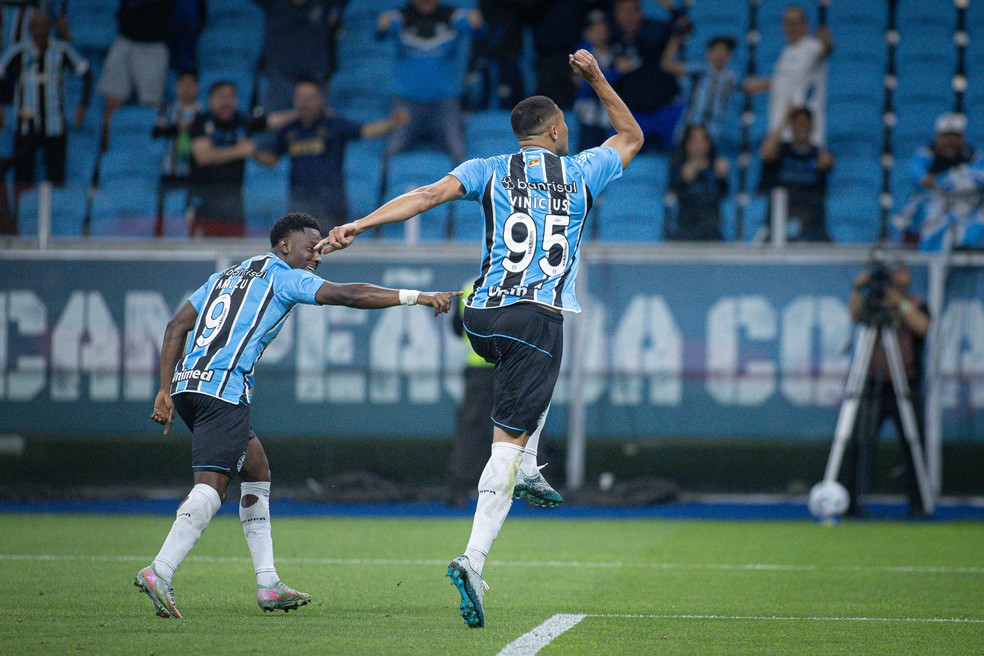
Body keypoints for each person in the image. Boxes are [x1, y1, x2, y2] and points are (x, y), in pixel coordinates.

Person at [317, 48, 643, 628]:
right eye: (564, 125)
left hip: (481, 313)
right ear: (552, 130)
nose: (568, 132)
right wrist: (595, 77)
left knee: (528, 394)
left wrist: (358, 225)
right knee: (507, 444)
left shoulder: (486, 168)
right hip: (536, 316)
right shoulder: (582, 171)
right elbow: (631, 134)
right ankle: (474, 558)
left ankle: (533, 467)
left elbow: (422, 197)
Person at [135, 212, 460, 620]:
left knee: (256, 469)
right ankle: (160, 570)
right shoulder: (283, 276)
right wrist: (417, 296)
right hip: (223, 388)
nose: (318, 256)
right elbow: (350, 295)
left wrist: (164, 389)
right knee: (213, 487)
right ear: (285, 245)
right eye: (311, 247)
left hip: (188, 385)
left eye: (321, 249)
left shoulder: (228, 274)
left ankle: (268, 582)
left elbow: (176, 325)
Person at [255, 78, 409, 233]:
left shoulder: (333, 124)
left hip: (331, 198)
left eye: (309, 98)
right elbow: (272, 158)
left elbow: (366, 131)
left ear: (321, 100)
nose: (304, 103)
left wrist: (393, 122)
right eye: (300, 98)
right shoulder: (289, 129)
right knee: (301, 245)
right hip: (300, 197)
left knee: (331, 242)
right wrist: (252, 152)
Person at [840, 261, 930, 518]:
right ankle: (849, 503)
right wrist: (858, 290)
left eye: (902, 270)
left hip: (905, 385)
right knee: (858, 442)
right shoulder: (872, 303)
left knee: (913, 444)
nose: (898, 275)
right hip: (871, 386)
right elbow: (855, 316)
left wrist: (898, 302)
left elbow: (922, 325)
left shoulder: (915, 302)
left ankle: (919, 504)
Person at [375, 0, 482, 207]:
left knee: (458, 152)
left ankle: (463, 207)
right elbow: (379, 34)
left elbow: (478, 33)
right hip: (407, 101)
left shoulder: (453, 16)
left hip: (445, 100)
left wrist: (477, 24)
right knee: (390, 152)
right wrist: (382, 25)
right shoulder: (399, 16)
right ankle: (379, 205)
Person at [0, 11, 90, 235]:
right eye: (36, 27)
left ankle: (57, 225)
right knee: (23, 176)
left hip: (54, 124)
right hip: (26, 125)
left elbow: (85, 73)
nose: (41, 31)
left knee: (56, 175)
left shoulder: (61, 51)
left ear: (50, 28)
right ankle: (21, 223)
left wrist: (82, 106)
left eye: (45, 26)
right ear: (30, 29)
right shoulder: (18, 52)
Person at [186, 80, 294, 237]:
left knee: (234, 246)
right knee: (202, 248)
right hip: (203, 197)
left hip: (233, 200)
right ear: (211, 100)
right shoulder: (201, 121)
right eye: (221, 97)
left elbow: (271, 121)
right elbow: (203, 156)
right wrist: (239, 150)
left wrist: (299, 112)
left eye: (231, 96)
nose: (226, 102)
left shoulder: (241, 122)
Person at [744, 5, 832, 145]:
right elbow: (791, 79)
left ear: (806, 25)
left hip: (804, 134)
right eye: (787, 23)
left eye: (796, 23)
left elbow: (825, 50)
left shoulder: (811, 46)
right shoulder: (787, 52)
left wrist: (826, 41)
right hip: (782, 132)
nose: (791, 28)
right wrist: (764, 84)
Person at [97, 0, 176, 152]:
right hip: (125, 39)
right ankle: (104, 157)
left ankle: (149, 154)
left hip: (153, 44)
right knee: (112, 103)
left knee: (151, 106)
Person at [610, 0, 688, 150]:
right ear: (616, 15)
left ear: (640, 12)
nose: (629, 17)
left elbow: (684, 24)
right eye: (624, 12)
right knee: (613, 153)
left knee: (681, 148)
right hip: (631, 115)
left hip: (664, 111)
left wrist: (669, 6)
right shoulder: (610, 37)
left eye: (633, 11)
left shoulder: (656, 30)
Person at [900, 112, 984, 251]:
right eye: (945, 136)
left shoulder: (971, 154)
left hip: (965, 205)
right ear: (937, 138)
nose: (950, 141)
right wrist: (925, 177)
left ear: (962, 138)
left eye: (955, 136)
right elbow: (915, 168)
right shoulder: (928, 152)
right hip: (934, 206)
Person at [445, 281, 494, 507]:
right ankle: (534, 490)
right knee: (525, 428)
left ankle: (459, 490)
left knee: (472, 430)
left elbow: (457, 329)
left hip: (479, 371)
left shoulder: (469, 287)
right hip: (514, 368)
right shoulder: (522, 284)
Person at [250, 0, 348, 112]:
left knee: (322, 125)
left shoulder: (323, 4)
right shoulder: (274, 3)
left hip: (317, 78)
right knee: (271, 123)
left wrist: (337, 13)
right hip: (280, 78)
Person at [759, 105, 834, 242]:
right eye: (797, 123)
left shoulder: (818, 154)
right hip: (780, 216)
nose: (802, 126)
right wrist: (784, 121)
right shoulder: (782, 150)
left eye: (805, 123)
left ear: (812, 126)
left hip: (812, 221)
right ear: (791, 126)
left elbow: (827, 164)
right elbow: (765, 153)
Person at [660, 33, 738, 149]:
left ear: (729, 56)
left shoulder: (730, 78)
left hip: (715, 129)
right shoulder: (699, 70)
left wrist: (772, 82)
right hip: (691, 124)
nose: (720, 55)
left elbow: (748, 87)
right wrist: (675, 40)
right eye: (717, 51)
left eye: (724, 52)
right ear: (708, 53)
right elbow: (667, 65)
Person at [152, 69, 202, 236]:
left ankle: (192, 236)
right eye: (183, 84)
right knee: (161, 207)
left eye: (191, 85)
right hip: (169, 168)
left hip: (193, 170)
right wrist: (177, 128)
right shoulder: (167, 109)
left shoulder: (201, 111)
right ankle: (158, 238)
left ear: (197, 87)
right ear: (176, 87)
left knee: (192, 207)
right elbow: (156, 131)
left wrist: (191, 128)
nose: (187, 88)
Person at [667, 125, 728, 241]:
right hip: (685, 231)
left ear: (708, 143)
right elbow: (671, 199)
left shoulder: (718, 170)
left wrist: (722, 179)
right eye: (694, 140)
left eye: (702, 140)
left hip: (712, 232)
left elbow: (726, 198)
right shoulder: (677, 169)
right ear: (686, 144)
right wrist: (683, 182)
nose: (698, 145)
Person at [572, 9, 619, 153]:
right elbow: (585, 86)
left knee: (605, 153)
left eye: (603, 30)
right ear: (587, 32)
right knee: (585, 151)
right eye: (595, 30)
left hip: (607, 113)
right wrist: (616, 72)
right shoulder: (582, 53)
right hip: (588, 113)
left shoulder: (615, 51)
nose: (600, 34)